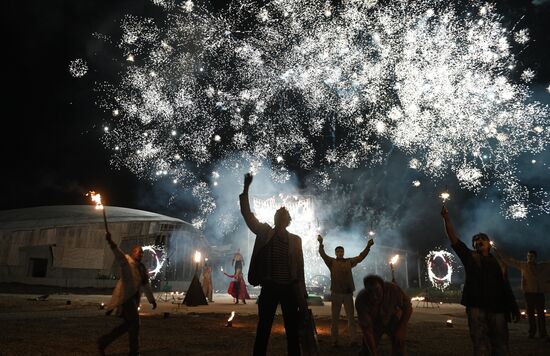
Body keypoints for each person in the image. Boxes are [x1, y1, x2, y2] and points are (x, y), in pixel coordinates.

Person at [240, 173, 307, 356]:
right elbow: (247, 214)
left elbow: (300, 270)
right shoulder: (264, 232)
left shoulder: (296, 240)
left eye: (284, 214)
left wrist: (303, 294)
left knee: (292, 330)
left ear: (288, 220)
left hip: (289, 289)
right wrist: (246, 189)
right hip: (269, 288)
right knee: (264, 329)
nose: (281, 215)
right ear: (275, 218)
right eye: (279, 214)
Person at [440, 206, 520, 355]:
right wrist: (446, 219)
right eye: (476, 240)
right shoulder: (469, 257)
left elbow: (506, 287)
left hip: (497, 307)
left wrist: (513, 308)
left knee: (501, 343)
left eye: (482, 239)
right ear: (473, 245)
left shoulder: (500, 263)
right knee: (479, 342)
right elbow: (454, 239)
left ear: (489, 243)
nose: (479, 241)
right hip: (476, 306)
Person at [97, 232, 157, 356]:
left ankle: (104, 341)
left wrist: (152, 300)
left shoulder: (141, 268)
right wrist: (110, 241)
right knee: (135, 323)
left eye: (141, 253)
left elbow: (146, 285)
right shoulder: (126, 262)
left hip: (134, 300)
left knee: (129, 325)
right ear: (132, 253)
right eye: (138, 252)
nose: (140, 254)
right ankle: (134, 351)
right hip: (126, 299)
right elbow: (117, 252)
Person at [317, 234, 374, 346]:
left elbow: (361, 257)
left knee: (351, 319)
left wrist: (368, 246)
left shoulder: (349, 262)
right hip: (336, 293)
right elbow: (322, 254)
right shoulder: (331, 262)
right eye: (338, 251)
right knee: (334, 319)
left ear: (343, 252)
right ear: (335, 253)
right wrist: (320, 244)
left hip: (348, 294)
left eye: (341, 251)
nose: (340, 253)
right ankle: (334, 341)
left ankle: (353, 340)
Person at [493, 248, 550, 340]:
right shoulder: (523, 265)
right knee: (530, 315)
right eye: (528, 256)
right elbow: (509, 260)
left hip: (539, 294)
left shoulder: (541, 266)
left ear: (535, 257)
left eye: (531, 256)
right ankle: (532, 333)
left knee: (541, 315)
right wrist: (497, 250)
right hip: (529, 294)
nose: (529, 258)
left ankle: (543, 334)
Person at [355, 274, 412, 356]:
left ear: (382, 286)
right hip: (374, 323)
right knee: (367, 351)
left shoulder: (393, 290)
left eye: (377, 291)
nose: (374, 296)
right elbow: (367, 330)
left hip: (393, 319)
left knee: (399, 344)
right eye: (370, 292)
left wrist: (401, 329)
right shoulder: (361, 300)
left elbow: (408, 308)